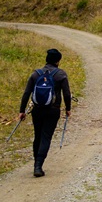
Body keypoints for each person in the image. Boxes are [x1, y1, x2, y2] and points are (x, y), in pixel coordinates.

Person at [18, 48, 72, 177]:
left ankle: (36, 164)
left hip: (37, 110)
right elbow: (66, 93)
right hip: (53, 110)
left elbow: (26, 93)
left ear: (46, 59)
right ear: (58, 61)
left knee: (37, 135)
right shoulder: (61, 74)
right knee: (46, 136)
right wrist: (68, 109)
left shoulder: (36, 74)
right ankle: (38, 166)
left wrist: (22, 111)